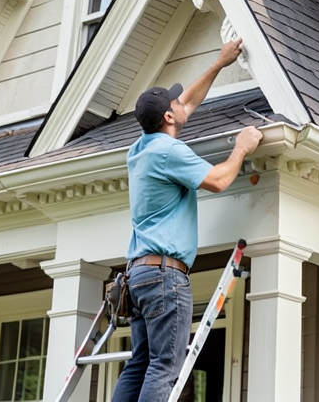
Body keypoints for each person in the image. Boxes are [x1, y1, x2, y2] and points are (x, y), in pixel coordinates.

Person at [111, 38, 263, 402]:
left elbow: (188, 103)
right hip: (165, 276)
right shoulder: (169, 152)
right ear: (167, 117)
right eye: (174, 104)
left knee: (140, 362)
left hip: (139, 276)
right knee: (165, 366)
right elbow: (219, 180)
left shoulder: (142, 148)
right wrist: (241, 147)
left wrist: (220, 63)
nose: (182, 104)